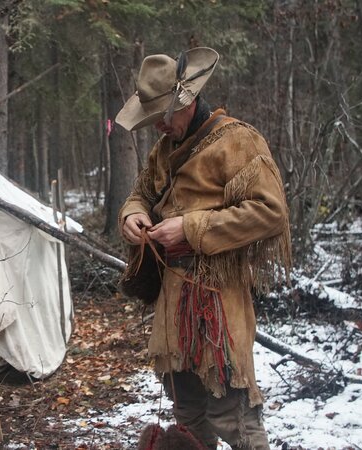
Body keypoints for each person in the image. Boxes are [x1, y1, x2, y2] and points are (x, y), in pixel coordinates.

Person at [116, 47, 291, 450]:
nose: (158, 125)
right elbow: (139, 195)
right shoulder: (164, 150)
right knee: (189, 416)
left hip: (217, 305)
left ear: (188, 99)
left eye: (164, 114)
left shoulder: (238, 141)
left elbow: (271, 212)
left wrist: (191, 228)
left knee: (233, 417)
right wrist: (132, 217)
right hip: (172, 305)